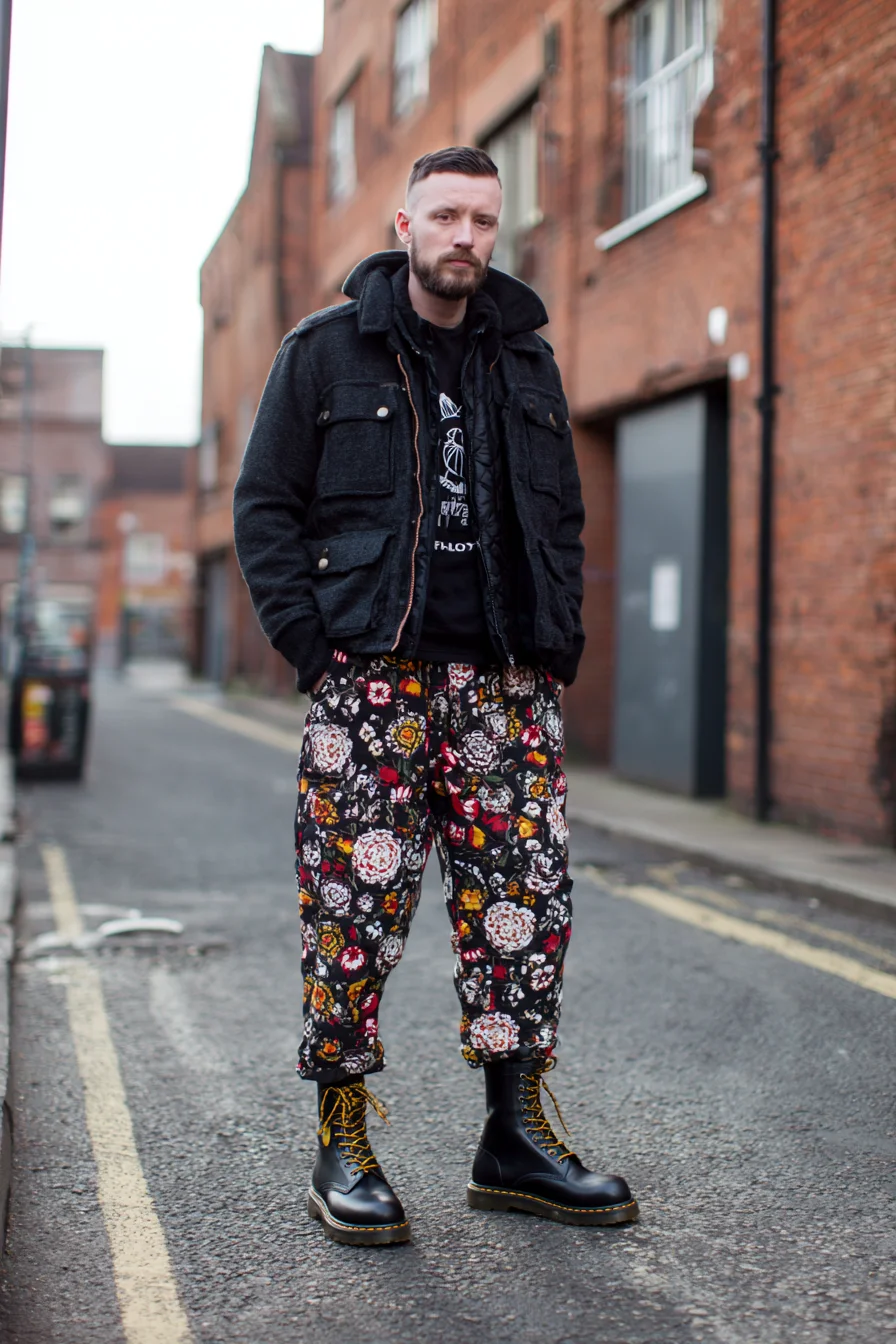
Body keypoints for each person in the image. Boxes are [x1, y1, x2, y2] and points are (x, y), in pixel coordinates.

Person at [233, 146, 638, 1245]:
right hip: (371, 684)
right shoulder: (323, 354)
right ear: (402, 223)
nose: (465, 236)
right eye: (445, 216)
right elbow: (264, 507)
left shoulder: (527, 362)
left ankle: (512, 1139)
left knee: (523, 913)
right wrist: (313, 655)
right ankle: (344, 1137)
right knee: (350, 917)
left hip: (505, 687)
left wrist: (558, 648)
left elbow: (561, 520)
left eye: (483, 219)